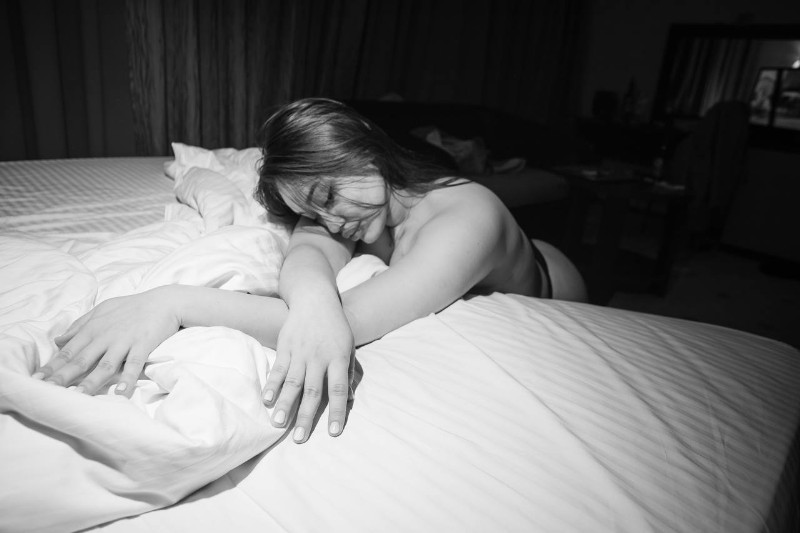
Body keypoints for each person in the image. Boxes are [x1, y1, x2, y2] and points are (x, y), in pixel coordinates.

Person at [33, 98, 587, 444]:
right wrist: (316, 296)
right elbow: (307, 255)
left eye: (327, 196)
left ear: (365, 152)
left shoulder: (465, 222)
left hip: (558, 281)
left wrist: (174, 302)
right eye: (314, 211)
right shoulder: (354, 204)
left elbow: (354, 322)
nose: (332, 221)